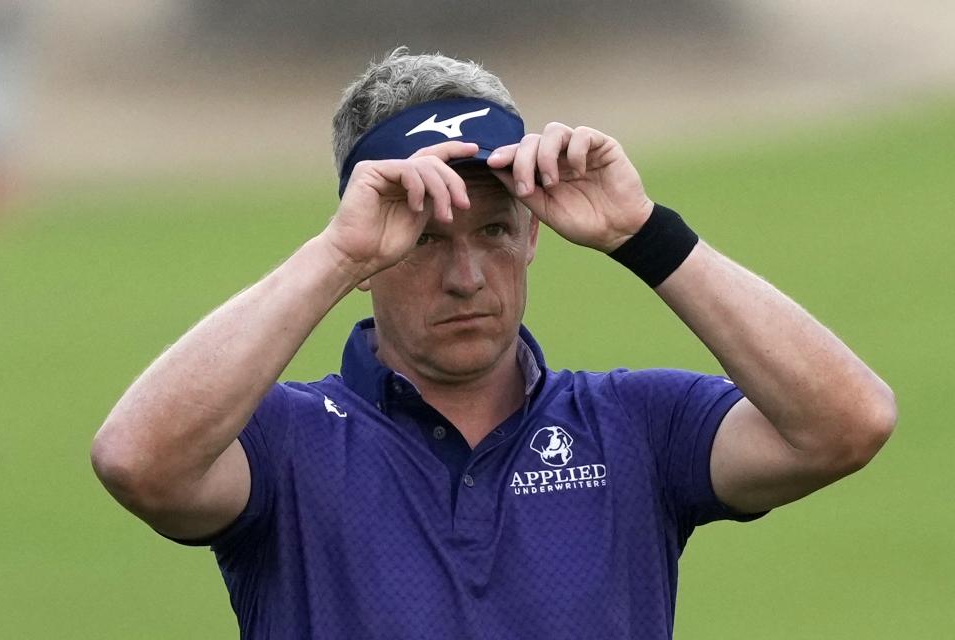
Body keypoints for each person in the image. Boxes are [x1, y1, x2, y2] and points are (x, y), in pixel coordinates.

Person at [91, 48, 896, 639]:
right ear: (368, 254)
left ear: (535, 236)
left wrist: (642, 232)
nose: (469, 276)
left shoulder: (634, 426)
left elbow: (848, 422)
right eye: (425, 240)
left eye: (497, 230)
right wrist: (335, 257)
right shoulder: (283, 443)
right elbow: (137, 460)